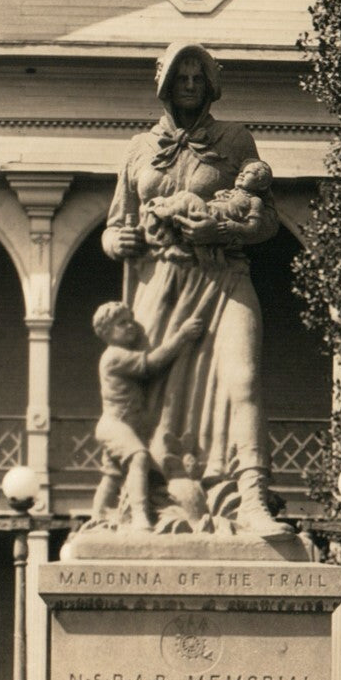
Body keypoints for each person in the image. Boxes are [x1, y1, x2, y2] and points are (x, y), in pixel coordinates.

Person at [102, 41, 289, 535]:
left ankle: (251, 501)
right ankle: (164, 500)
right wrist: (115, 240)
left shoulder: (235, 139)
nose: (189, 86)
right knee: (158, 408)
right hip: (160, 285)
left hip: (224, 275)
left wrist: (223, 231)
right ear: (164, 85)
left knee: (243, 380)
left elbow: (266, 218)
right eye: (180, 78)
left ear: (210, 85)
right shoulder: (138, 148)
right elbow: (115, 223)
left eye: (197, 78)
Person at [91, 301, 204, 530]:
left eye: (131, 320)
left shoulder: (121, 353)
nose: (130, 326)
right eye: (122, 323)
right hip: (114, 423)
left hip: (125, 424)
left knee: (112, 474)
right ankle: (140, 515)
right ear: (106, 331)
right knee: (139, 457)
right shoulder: (114, 356)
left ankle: (98, 514)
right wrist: (182, 335)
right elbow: (152, 364)